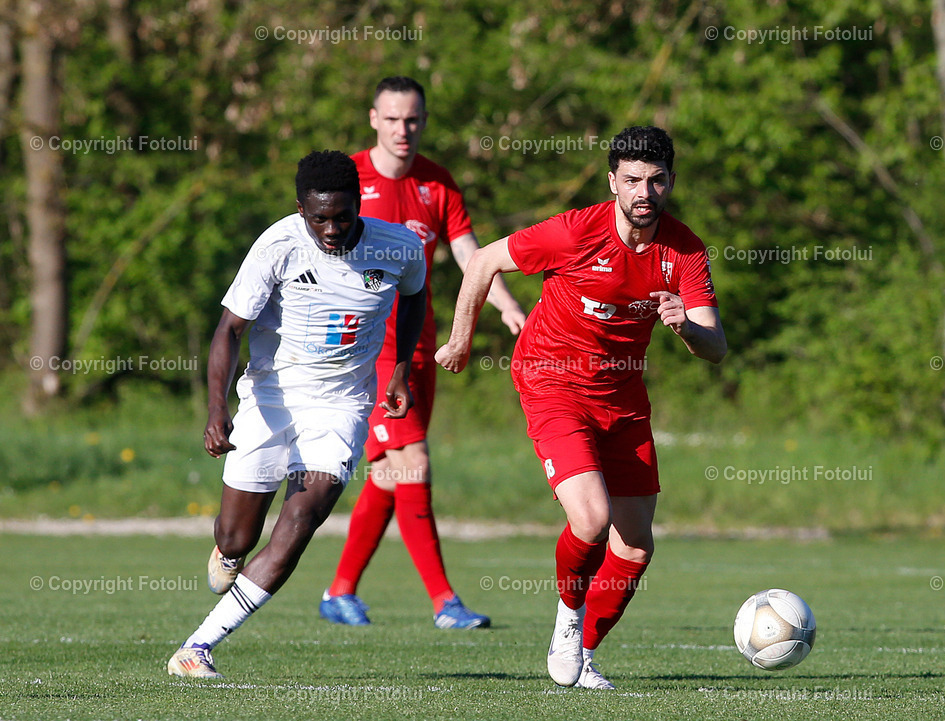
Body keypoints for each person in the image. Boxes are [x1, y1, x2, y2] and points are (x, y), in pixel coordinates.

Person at [435, 126, 727, 689]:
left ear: (671, 182)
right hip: (552, 380)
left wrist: (685, 326)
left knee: (636, 544)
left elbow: (715, 348)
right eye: (634, 180)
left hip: (623, 396)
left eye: (657, 180)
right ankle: (568, 620)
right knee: (591, 520)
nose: (645, 191)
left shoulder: (685, 251)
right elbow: (482, 262)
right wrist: (461, 341)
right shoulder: (575, 231)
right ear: (613, 181)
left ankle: (585, 652)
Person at [167, 150, 427, 678]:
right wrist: (217, 410)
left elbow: (416, 298)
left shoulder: (400, 246)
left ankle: (197, 647)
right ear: (300, 209)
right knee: (235, 538)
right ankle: (231, 554)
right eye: (318, 218)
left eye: (342, 216)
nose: (331, 229)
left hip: (343, 403)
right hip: (270, 397)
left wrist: (401, 368)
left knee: (302, 517)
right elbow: (229, 330)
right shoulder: (277, 245)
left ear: (359, 204)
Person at [318, 76, 526, 630]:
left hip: (418, 345)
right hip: (365, 348)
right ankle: (444, 602)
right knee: (412, 465)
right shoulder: (349, 180)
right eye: (392, 119)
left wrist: (504, 305)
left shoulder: (438, 184)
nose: (402, 129)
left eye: (412, 120)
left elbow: (470, 255)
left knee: (391, 476)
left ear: (422, 121)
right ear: (373, 119)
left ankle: (339, 592)